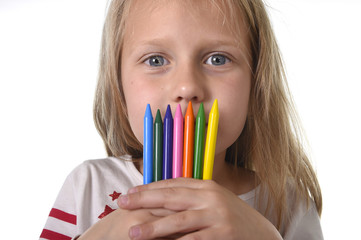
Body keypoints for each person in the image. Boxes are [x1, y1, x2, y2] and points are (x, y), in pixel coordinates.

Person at [40, 0, 323, 239]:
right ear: (118, 85)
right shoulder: (87, 186)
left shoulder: (289, 205)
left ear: (256, 83)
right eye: (155, 60)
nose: (187, 87)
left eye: (218, 59)